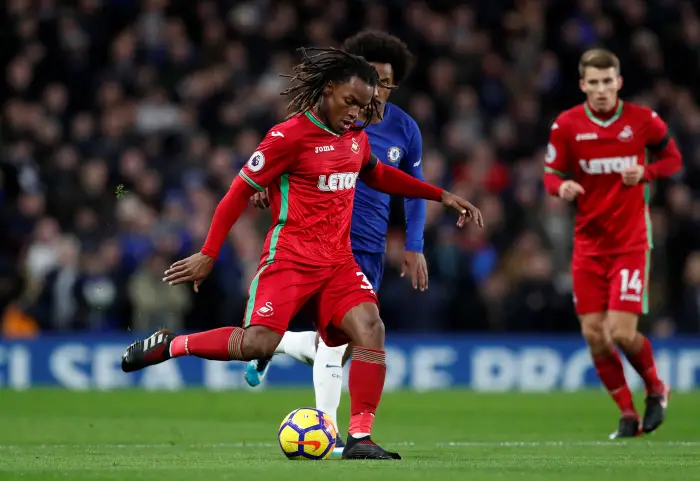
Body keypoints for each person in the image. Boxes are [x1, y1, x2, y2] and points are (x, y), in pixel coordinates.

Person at [121, 47, 483, 460]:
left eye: (364, 107)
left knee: (371, 328)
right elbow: (237, 194)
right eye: (350, 102)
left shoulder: (355, 137)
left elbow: (378, 174)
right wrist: (208, 252)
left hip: (338, 261)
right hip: (289, 259)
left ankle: (360, 438)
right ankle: (172, 345)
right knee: (258, 344)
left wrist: (441, 195)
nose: (356, 114)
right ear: (328, 89)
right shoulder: (286, 137)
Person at [243, 31, 425, 455]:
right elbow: (282, 160)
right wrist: (265, 187)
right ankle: (334, 435)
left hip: (369, 244)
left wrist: (414, 244)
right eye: (370, 80)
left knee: (347, 346)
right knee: (347, 340)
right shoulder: (324, 118)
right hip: (317, 241)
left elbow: (412, 188)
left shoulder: (404, 128)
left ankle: (275, 343)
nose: (375, 91)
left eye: (385, 83)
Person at [543, 48, 680, 439]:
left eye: (608, 81)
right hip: (588, 244)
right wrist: (561, 186)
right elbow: (550, 172)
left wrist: (648, 171)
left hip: (631, 242)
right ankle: (627, 414)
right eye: (594, 82)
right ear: (583, 84)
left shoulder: (642, 120)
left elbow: (673, 158)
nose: (602, 89)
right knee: (593, 334)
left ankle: (657, 387)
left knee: (620, 331)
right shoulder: (567, 125)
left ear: (618, 82)